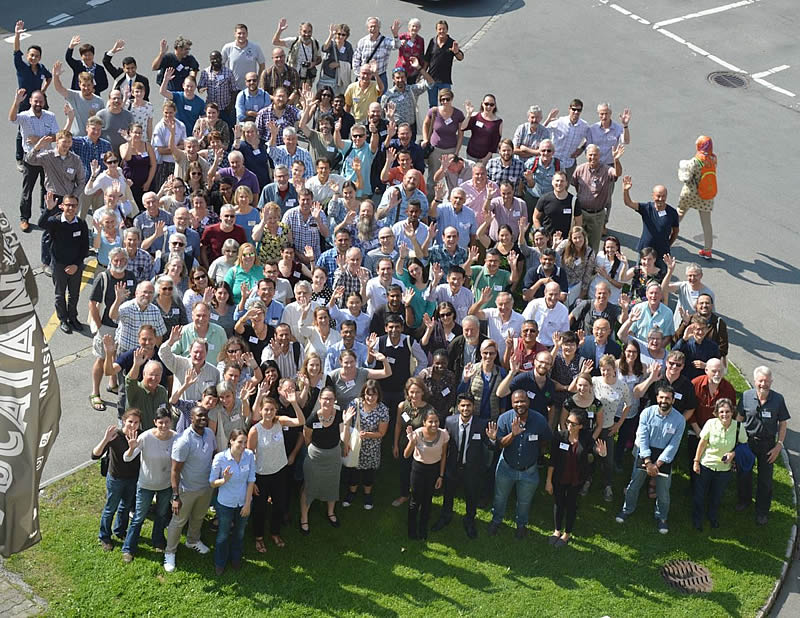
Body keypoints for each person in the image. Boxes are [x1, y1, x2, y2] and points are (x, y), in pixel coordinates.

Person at [615, 384, 685, 534]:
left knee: (663, 492)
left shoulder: (679, 420)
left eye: (667, 398)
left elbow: (673, 445)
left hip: (663, 460)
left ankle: (662, 517)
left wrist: (657, 464)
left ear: (673, 400)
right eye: (661, 397)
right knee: (634, 485)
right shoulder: (647, 413)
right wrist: (648, 462)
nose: (664, 400)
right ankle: (627, 509)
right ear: (657, 398)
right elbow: (642, 437)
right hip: (644, 455)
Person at [488, 389, 553, 538]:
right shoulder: (504, 419)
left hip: (529, 471)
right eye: (516, 402)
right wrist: (513, 434)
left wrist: (539, 453)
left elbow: (546, 439)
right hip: (506, 467)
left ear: (528, 402)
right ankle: (496, 520)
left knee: (524, 501)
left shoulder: (539, 420)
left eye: (522, 401)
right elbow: (500, 445)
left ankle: (521, 525)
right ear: (511, 404)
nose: (519, 404)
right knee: (500, 497)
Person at [248, 389, 305, 552]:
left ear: (275, 411)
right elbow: (249, 457)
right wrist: (252, 481)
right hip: (261, 475)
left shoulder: (280, 421)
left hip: (280, 472)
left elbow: (300, 421)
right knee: (260, 509)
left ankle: (275, 532)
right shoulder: (255, 430)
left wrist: (294, 402)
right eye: (266, 409)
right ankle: (258, 537)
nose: (269, 412)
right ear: (260, 410)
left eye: (272, 409)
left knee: (279, 505)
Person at [430, 395, 494, 538]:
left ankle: (469, 521)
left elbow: (490, 446)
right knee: (448, 494)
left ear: (473, 407)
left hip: (472, 469)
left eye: (469, 405)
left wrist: (493, 439)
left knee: (471, 496)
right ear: (458, 407)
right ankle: (445, 516)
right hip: (452, 467)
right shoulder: (449, 421)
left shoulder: (481, 424)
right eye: (463, 406)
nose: (466, 409)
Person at [163, 406, 215, 573]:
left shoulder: (209, 434)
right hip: (187, 490)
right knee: (178, 522)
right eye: (199, 415)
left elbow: (213, 455)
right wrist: (176, 496)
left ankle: (192, 540)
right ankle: (170, 552)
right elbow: (175, 471)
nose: (203, 418)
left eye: (205, 415)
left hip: (206, 487)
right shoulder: (184, 441)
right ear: (191, 418)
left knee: (199, 517)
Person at [736, 366, 790, 525]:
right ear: (755, 381)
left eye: (767, 381)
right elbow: (739, 418)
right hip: (748, 442)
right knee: (744, 473)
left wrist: (779, 445)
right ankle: (744, 500)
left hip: (768, 445)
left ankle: (762, 511)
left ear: (771, 381)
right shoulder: (746, 396)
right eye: (760, 381)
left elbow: (783, 423)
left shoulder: (778, 399)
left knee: (765, 479)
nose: (763, 384)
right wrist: (737, 443)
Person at [121, 407, 176, 562]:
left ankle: (158, 540)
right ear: (154, 422)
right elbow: (127, 458)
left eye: (166, 422)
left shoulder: (176, 438)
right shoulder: (145, 437)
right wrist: (131, 449)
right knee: (139, 517)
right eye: (160, 423)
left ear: (170, 422)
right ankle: (128, 548)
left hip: (165, 486)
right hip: (146, 485)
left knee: (161, 515)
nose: (164, 426)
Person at [546, 410, 607, 547]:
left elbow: (594, 449)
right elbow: (552, 461)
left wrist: (601, 452)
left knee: (571, 505)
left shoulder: (586, 438)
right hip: (559, 478)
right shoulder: (560, 436)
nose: (569, 426)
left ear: (580, 426)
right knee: (558, 503)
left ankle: (567, 533)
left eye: (573, 424)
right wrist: (548, 481)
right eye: (568, 422)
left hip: (576, 479)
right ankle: (557, 531)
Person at [299, 387, 352, 534]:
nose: (327, 401)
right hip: (315, 457)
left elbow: (344, 440)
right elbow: (307, 437)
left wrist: (347, 423)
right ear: (320, 400)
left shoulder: (341, 415)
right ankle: (304, 518)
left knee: (332, 484)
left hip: (333, 456)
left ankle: (331, 512)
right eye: (325, 398)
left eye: (330, 398)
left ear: (334, 400)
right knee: (309, 486)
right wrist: (315, 451)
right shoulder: (312, 419)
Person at [692, 398, 747, 531]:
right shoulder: (710, 424)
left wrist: (733, 454)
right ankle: (697, 520)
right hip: (706, 465)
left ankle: (712, 517)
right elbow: (702, 443)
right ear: (716, 413)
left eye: (727, 411)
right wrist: (696, 461)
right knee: (699, 495)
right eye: (721, 411)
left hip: (724, 469)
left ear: (732, 412)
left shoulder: (738, 427)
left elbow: (744, 445)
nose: (725, 414)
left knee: (716, 496)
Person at [91, 409, 141, 552]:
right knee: (110, 508)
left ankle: (120, 531)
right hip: (116, 478)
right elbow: (95, 455)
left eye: (136, 422)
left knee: (125, 507)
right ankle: (104, 536)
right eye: (130, 421)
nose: (133, 425)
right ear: (124, 421)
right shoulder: (116, 436)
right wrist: (106, 439)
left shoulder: (140, 435)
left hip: (132, 478)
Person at [9, 88, 58, 232]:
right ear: (30, 101)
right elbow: (11, 118)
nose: (38, 103)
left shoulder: (50, 116)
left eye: (40, 101)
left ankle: (46, 215)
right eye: (35, 101)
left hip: (47, 158)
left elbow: (57, 136)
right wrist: (16, 102)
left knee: (47, 188)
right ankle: (24, 218)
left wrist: (37, 139)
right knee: (27, 190)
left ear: (44, 103)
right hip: (31, 159)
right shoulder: (24, 117)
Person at [42, 193, 89, 333]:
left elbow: (84, 247)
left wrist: (76, 264)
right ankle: (63, 319)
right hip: (59, 265)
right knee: (60, 294)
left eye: (74, 205)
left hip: (76, 265)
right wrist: (49, 210)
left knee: (74, 294)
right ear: (62, 206)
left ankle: (73, 317)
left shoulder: (81, 224)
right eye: (68, 205)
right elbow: (41, 223)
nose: (71, 208)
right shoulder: (55, 222)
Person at [341, 380, 391, 510]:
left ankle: (367, 495)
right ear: (363, 393)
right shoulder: (354, 404)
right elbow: (345, 423)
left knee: (368, 473)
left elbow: (382, 433)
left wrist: (367, 434)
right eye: (368, 394)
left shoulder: (383, 409)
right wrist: (346, 443)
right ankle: (351, 493)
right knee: (353, 471)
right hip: (354, 445)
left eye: (374, 395)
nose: (370, 397)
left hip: (371, 447)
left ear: (378, 395)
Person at [403, 409, 448, 540]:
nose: (434, 425)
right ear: (424, 422)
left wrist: (441, 476)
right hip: (418, 470)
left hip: (433, 470)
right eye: (430, 422)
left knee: (427, 501)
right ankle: (411, 530)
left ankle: (423, 529)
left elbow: (444, 455)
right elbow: (406, 455)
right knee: (415, 501)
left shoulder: (444, 434)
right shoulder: (416, 434)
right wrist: (412, 441)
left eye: (436, 421)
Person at [571, 144, 623, 253]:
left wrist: (616, 160)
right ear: (586, 156)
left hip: (597, 215)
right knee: (576, 242)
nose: (593, 157)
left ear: (599, 156)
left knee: (593, 245)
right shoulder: (580, 169)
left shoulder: (606, 169)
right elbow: (575, 185)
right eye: (590, 155)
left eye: (595, 155)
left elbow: (617, 173)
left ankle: (590, 268)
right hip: (580, 213)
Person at [621, 176, 679, 262]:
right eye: (658, 196)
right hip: (645, 251)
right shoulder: (646, 208)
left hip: (662, 253)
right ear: (653, 195)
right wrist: (626, 191)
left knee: (661, 274)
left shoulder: (672, 212)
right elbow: (628, 203)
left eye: (663, 196)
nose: (661, 199)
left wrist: (668, 244)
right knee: (641, 274)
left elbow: (675, 231)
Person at [678, 135, 717, 259]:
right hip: (706, 195)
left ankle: (668, 235)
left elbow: (686, 177)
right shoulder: (713, 159)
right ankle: (708, 250)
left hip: (691, 194)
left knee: (679, 213)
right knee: (706, 223)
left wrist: (681, 167)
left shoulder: (696, 161)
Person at [422, 88, 464, 194]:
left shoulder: (458, 114)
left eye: (447, 99)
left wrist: (456, 151)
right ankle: (430, 199)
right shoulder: (434, 111)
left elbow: (460, 134)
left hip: (451, 149)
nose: (445, 102)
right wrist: (426, 139)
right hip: (435, 150)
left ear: (452, 99)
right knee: (433, 178)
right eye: (442, 99)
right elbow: (425, 124)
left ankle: (449, 200)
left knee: (451, 177)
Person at [423, 20, 464, 107]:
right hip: (431, 79)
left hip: (445, 80)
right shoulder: (433, 41)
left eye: (443, 29)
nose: (442, 31)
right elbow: (427, 59)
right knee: (433, 106)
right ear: (436, 30)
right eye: (439, 29)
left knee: (445, 105)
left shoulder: (451, 43)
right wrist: (423, 73)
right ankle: (433, 121)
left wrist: (456, 52)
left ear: (447, 30)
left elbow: (461, 57)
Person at [352, 17, 401, 89]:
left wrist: (395, 35)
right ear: (367, 28)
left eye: (375, 26)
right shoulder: (362, 42)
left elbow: (396, 46)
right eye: (371, 26)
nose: (373, 28)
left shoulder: (385, 41)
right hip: (365, 77)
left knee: (380, 99)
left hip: (380, 76)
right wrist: (360, 75)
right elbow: (356, 60)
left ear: (379, 27)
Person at [531, 169, 578, 238]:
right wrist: (541, 232)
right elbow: (535, 217)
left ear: (566, 183)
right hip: (548, 241)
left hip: (566, 241)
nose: (559, 183)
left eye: (562, 181)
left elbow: (578, 222)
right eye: (557, 181)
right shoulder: (544, 199)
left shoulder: (573, 201)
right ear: (552, 182)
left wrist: (572, 237)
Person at [222, 24, 267, 92]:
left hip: (251, 87)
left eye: (244, 33)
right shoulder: (228, 48)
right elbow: (221, 65)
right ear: (235, 34)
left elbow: (262, 65)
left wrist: (258, 81)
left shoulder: (255, 47)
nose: (242, 36)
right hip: (233, 88)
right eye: (239, 33)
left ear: (247, 34)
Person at [460, 94, 503, 163]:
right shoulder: (475, 116)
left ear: (494, 106)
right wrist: (468, 115)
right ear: (482, 104)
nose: (488, 106)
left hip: (485, 157)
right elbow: (462, 128)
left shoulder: (498, 122)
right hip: (471, 155)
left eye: (491, 104)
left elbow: (495, 143)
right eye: (486, 104)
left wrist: (486, 158)